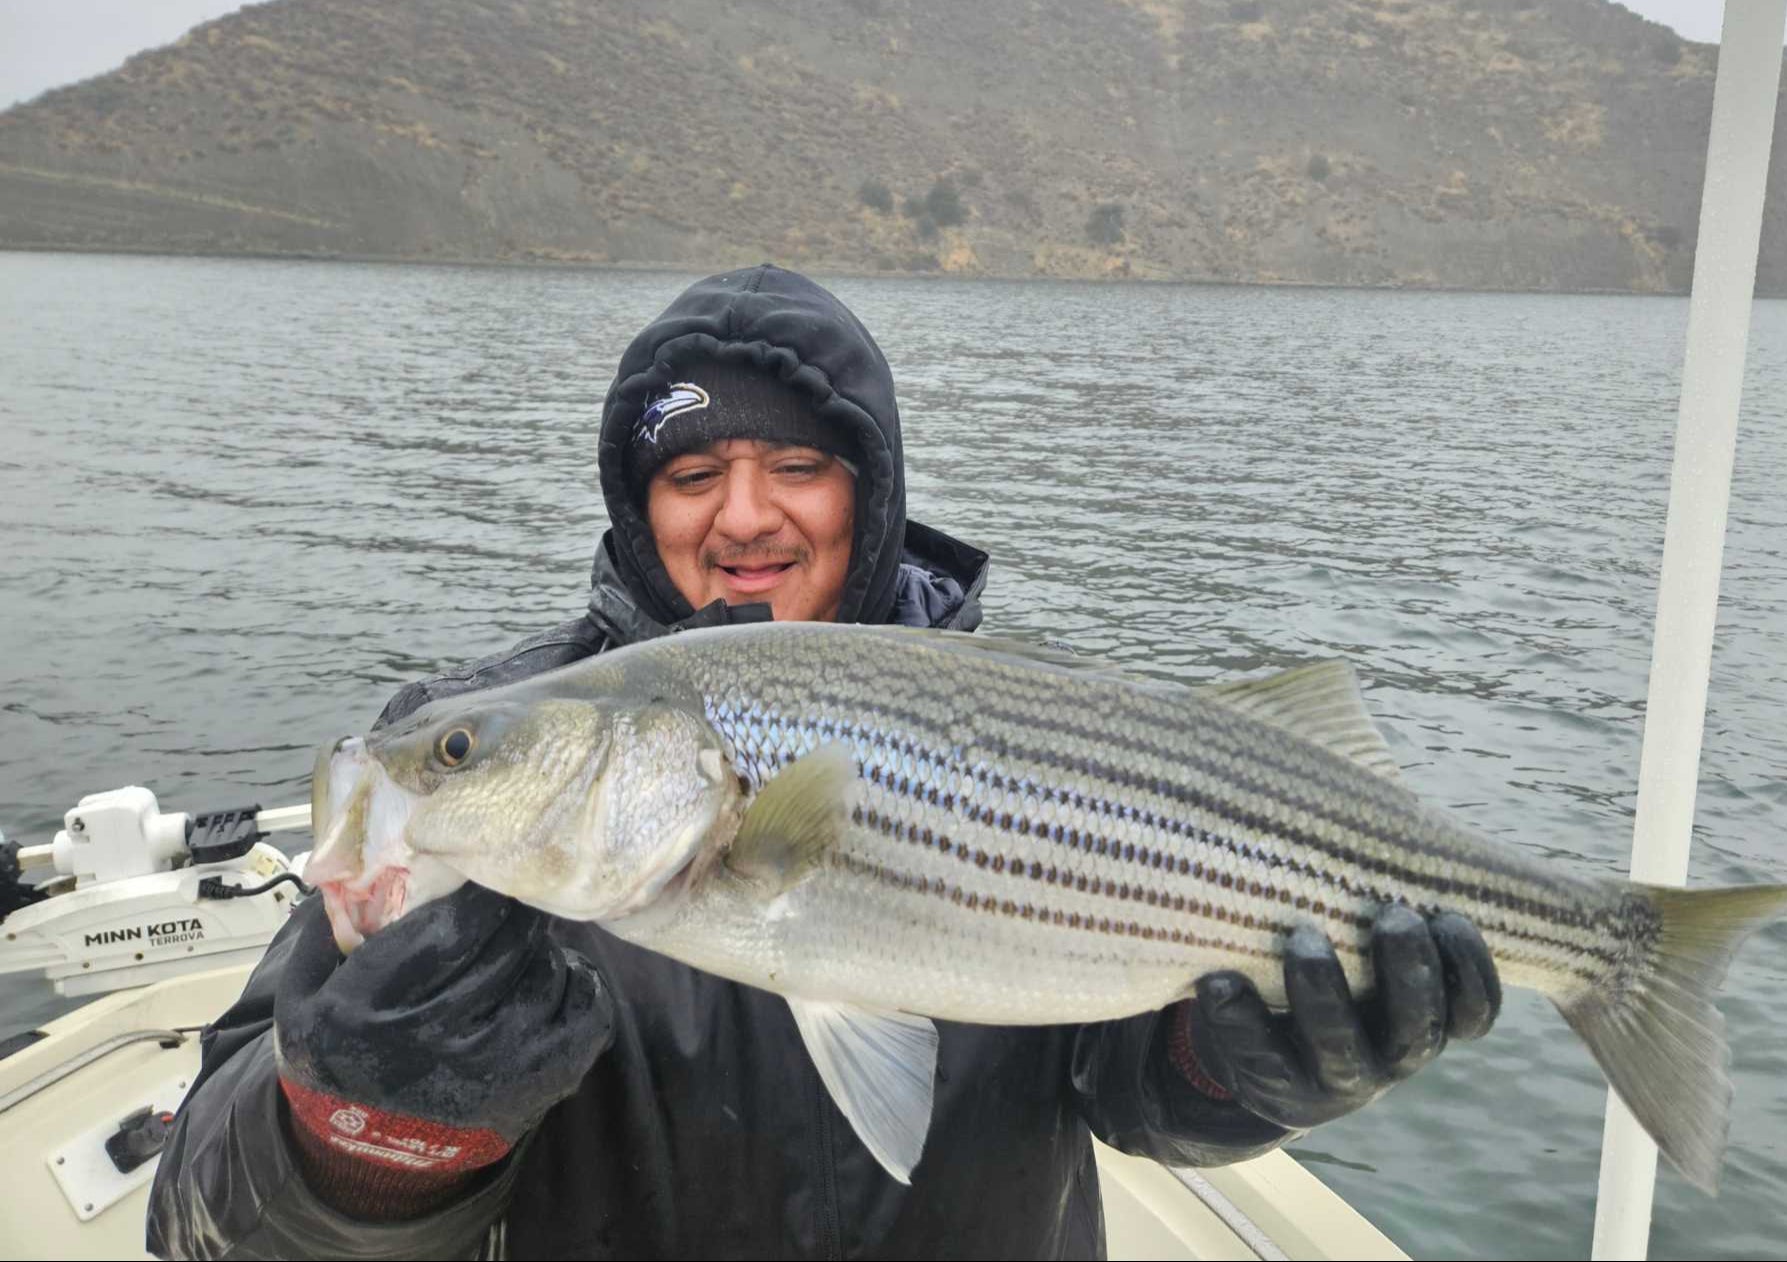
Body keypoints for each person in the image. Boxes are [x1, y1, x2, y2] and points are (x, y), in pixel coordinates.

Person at [148, 264, 1500, 1259]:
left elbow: (1131, 1084)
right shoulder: (467, 771)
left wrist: (1239, 1071)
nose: (744, 513)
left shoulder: (1030, 719)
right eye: (691, 475)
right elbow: (202, 1221)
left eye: (798, 461)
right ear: (637, 504)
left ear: (871, 489)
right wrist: (369, 1126)